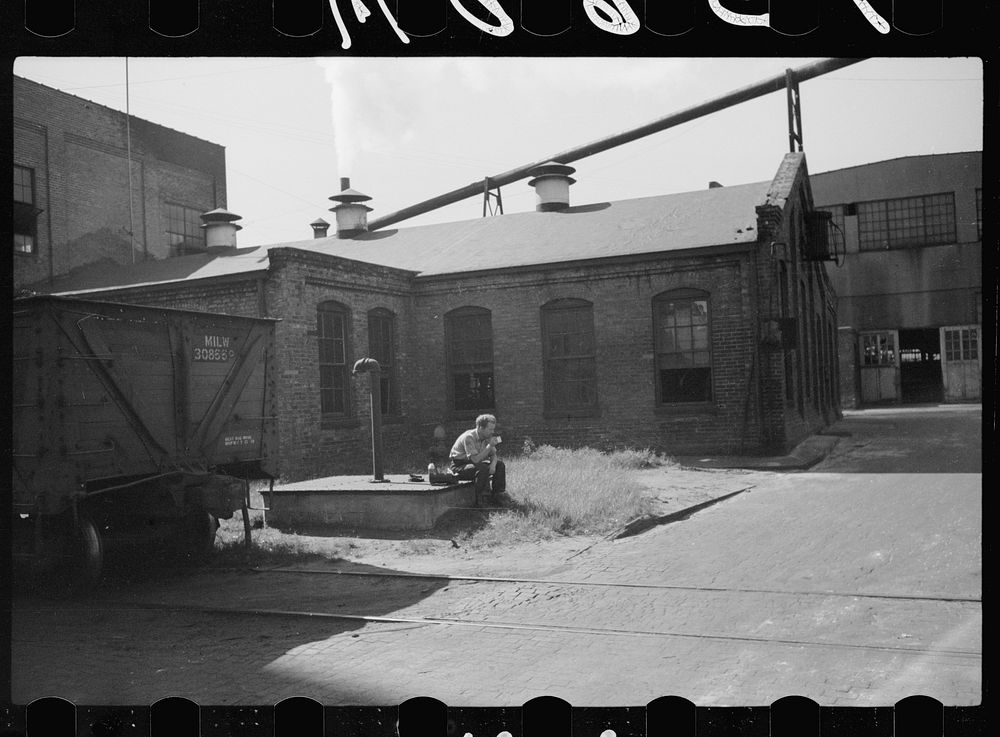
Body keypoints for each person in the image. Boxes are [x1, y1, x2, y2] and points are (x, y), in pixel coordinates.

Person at [449, 413, 506, 506]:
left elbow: (493, 455)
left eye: (493, 429)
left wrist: (493, 465)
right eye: (490, 429)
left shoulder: (487, 437)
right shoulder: (469, 437)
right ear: (480, 428)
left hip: (475, 463)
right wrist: (489, 446)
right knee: (482, 469)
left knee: (500, 465)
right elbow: (475, 460)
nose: (492, 432)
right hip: (459, 466)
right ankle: (482, 499)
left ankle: (498, 496)